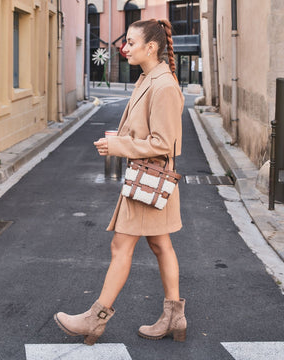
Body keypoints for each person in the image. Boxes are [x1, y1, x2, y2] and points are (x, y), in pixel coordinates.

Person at [54, 18, 186, 346]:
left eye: (130, 42)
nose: (124, 47)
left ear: (150, 47)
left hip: (149, 180)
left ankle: (94, 319)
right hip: (145, 179)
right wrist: (121, 139)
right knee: (160, 244)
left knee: (121, 246)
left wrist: (118, 145)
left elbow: (163, 142)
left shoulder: (163, 85)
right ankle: (175, 317)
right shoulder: (148, 79)